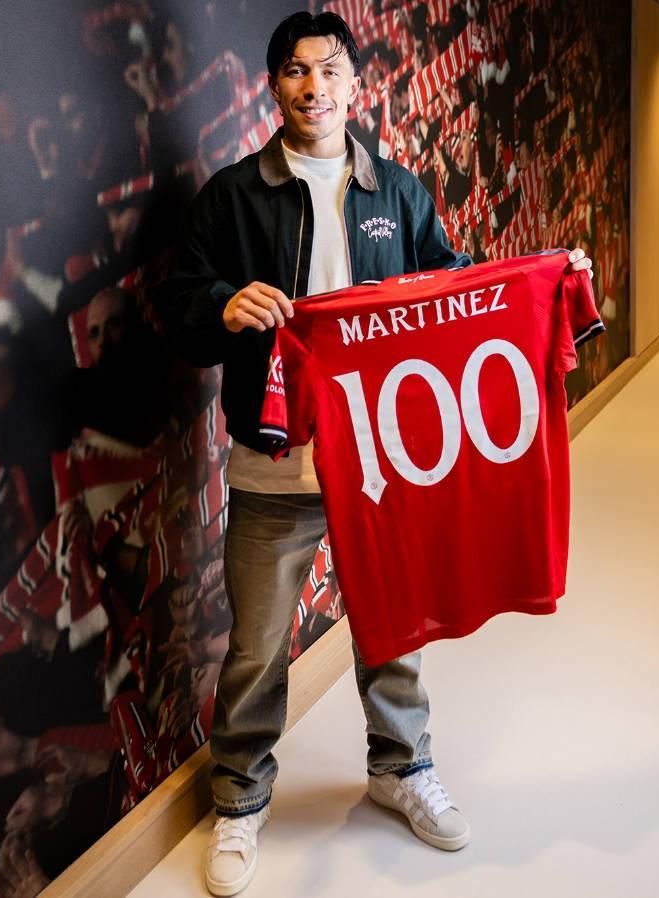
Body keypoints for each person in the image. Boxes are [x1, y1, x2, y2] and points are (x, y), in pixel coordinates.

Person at [158, 12, 593, 897]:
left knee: (395, 626)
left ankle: (401, 767)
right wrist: (220, 305)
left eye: (329, 69)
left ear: (356, 83)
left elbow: (456, 288)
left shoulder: (396, 190)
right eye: (295, 71)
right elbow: (177, 306)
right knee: (257, 647)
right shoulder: (232, 196)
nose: (313, 86)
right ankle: (239, 795)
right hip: (275, 461)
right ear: (272, 86)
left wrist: (547, 276)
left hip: (383, 462)